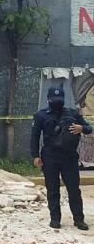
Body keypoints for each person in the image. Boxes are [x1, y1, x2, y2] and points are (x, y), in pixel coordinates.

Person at [31, 86, 91, 230]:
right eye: (54, 100)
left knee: (74, 190)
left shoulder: (73, 113)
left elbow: (89, 128)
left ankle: (79, 219)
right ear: (48, 99)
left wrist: (82, 128)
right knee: (52, 190)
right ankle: (55, 219)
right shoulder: (41, 115)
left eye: (60, 100)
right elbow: (34, 136)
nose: (57, 102)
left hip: (69, 158)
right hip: (50, 157)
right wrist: (35, 156)